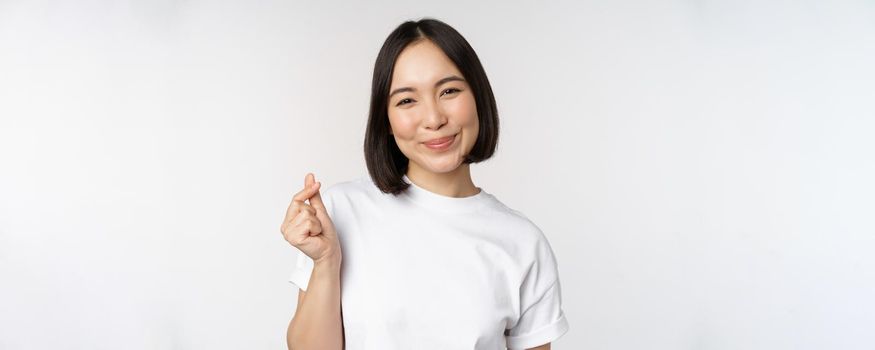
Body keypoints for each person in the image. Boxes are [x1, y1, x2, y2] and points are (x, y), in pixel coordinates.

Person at [280, 18, 569, 350]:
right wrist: (327, 260)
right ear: (385, 120)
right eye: (406, 100)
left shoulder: (523, 242)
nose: (434, 119)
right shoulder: (340, 212)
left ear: (477, 96)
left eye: (449, 91)